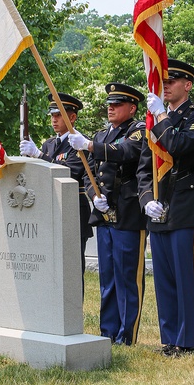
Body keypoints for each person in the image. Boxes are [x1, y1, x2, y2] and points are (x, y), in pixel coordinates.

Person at [137, 59, 194, 357]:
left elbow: (179, 146)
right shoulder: (153, 121)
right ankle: (169, 338)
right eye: (163, 81)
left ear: (188, 85)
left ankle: (187, 340)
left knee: (185, 274)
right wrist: (146, 200)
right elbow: (145, 168)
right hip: (159, 203)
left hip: (185, 201)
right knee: (165, 277)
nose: (165, 85)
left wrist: (160, 115)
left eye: (172, 81)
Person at [67, 82, 148, 346]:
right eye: (109, 105)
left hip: (128, 211)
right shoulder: (101, 135)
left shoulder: (138, 131)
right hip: (105, 213)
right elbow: (89, 173)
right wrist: (94, 196)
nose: (111, 108)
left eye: (117, 104)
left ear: (132, 108)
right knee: (108, 277)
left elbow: (126, 152)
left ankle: (128, 334)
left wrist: (89, 145)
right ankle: (108, 331)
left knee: (127, 277)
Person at [19, 93, 94, 295]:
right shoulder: (49, 144)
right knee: (50, 264)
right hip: (49, 210)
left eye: (59, 115)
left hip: (72, 211)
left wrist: (39, 156)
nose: (54, 119)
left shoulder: (79, 143)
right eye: (52, 115)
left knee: (71, 265)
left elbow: (70, 171)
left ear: (72, 117)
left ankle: (73, 308)